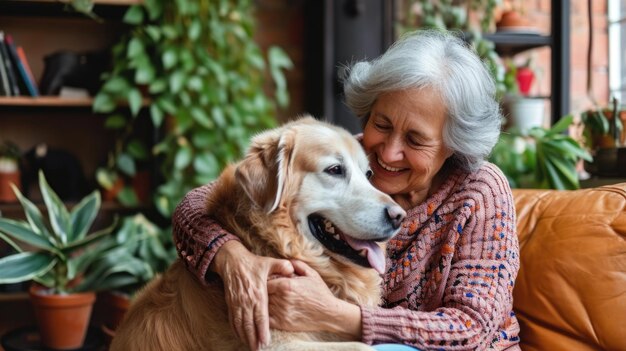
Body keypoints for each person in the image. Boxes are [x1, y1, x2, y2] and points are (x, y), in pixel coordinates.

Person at [173, 30, 520, 351]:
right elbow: (196, 206)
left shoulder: (480, 191)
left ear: (453, 146)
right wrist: (233, 258)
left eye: (415, 140)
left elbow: (471, 328)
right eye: (380, 124)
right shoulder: (352, 160)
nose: (388, 152)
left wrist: (331, 314)